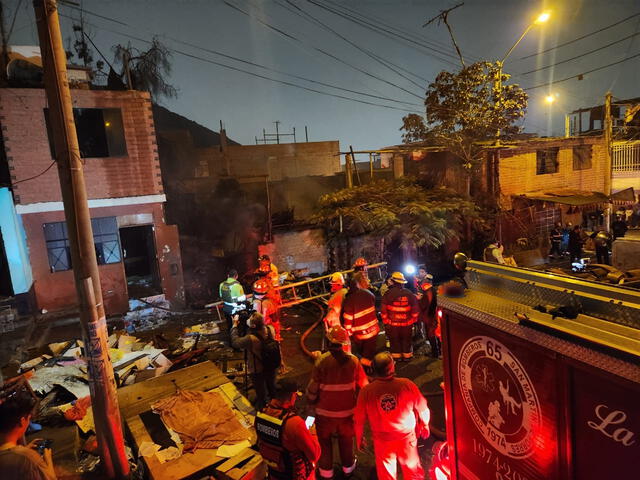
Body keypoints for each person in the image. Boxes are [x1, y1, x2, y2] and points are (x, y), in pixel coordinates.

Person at [354, 352, 430, 480]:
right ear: (391, 368)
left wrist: (359, 436)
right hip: (406, 437)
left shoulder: (366, 391)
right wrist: (425, 424)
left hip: (382, 440)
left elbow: (359, 418)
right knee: (412, 470)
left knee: (386, 473)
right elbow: (422, 408)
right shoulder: (406, 385)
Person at [306, 326, 368, 480]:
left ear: (328, 342)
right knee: (346, 442)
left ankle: (326, 473)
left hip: (324, 414)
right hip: (347, 414)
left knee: (325, 443)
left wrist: (310, 404)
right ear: (344, 342)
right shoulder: (354, 361)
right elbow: (364, 386)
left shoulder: (322, 361)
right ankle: (348, 470)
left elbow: (313, 389)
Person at [256, 379, 321, 480]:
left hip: (274, 474)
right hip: (295, 475)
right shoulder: (294, 424)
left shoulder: (260, 416)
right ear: (292, 396)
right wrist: (313, 433)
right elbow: (314, 455)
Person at [0, 379, 56, 480]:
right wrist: (48, 460)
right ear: (22, 421)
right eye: (28, 418)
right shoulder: (28, 458)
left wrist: (22, 450)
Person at [231, 312, 279, 409]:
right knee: (272, 387)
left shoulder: (250, 339)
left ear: (253, 325)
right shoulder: (271, 329)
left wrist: (235, 325)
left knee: (261, 391)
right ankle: (275, 405)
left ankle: (263, 407)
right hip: (271, 365)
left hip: (257, 369)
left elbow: (235, 342)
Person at [341, 272, 380, 371]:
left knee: (362, 353)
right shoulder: (368, 293)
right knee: (370, 351)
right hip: (373, 330)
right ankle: (372, 367)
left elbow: (348, 319)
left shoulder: (348, 300)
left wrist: (348, 333)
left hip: (360, 334)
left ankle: (365, 370)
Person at [381, 272, 419, 362]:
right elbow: (415, 310)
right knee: (407, 340)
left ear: (393, 282)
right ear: (402, 282)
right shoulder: (409, 294)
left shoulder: (387, 294)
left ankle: (397, 357)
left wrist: (386, 321)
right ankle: (407, 356)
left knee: (394, 341)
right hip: (407, 324)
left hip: (393, 324)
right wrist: (413, 320)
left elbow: (383, 310)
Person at [418, 277, 440, 358]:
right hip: (435, 316)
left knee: (431, 335)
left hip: (429, 317)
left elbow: (423, 305)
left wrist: (419, 299)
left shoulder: (427, 293)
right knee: (436, 333)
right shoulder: (434, 290)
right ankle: (439, 350)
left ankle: (435, 353)